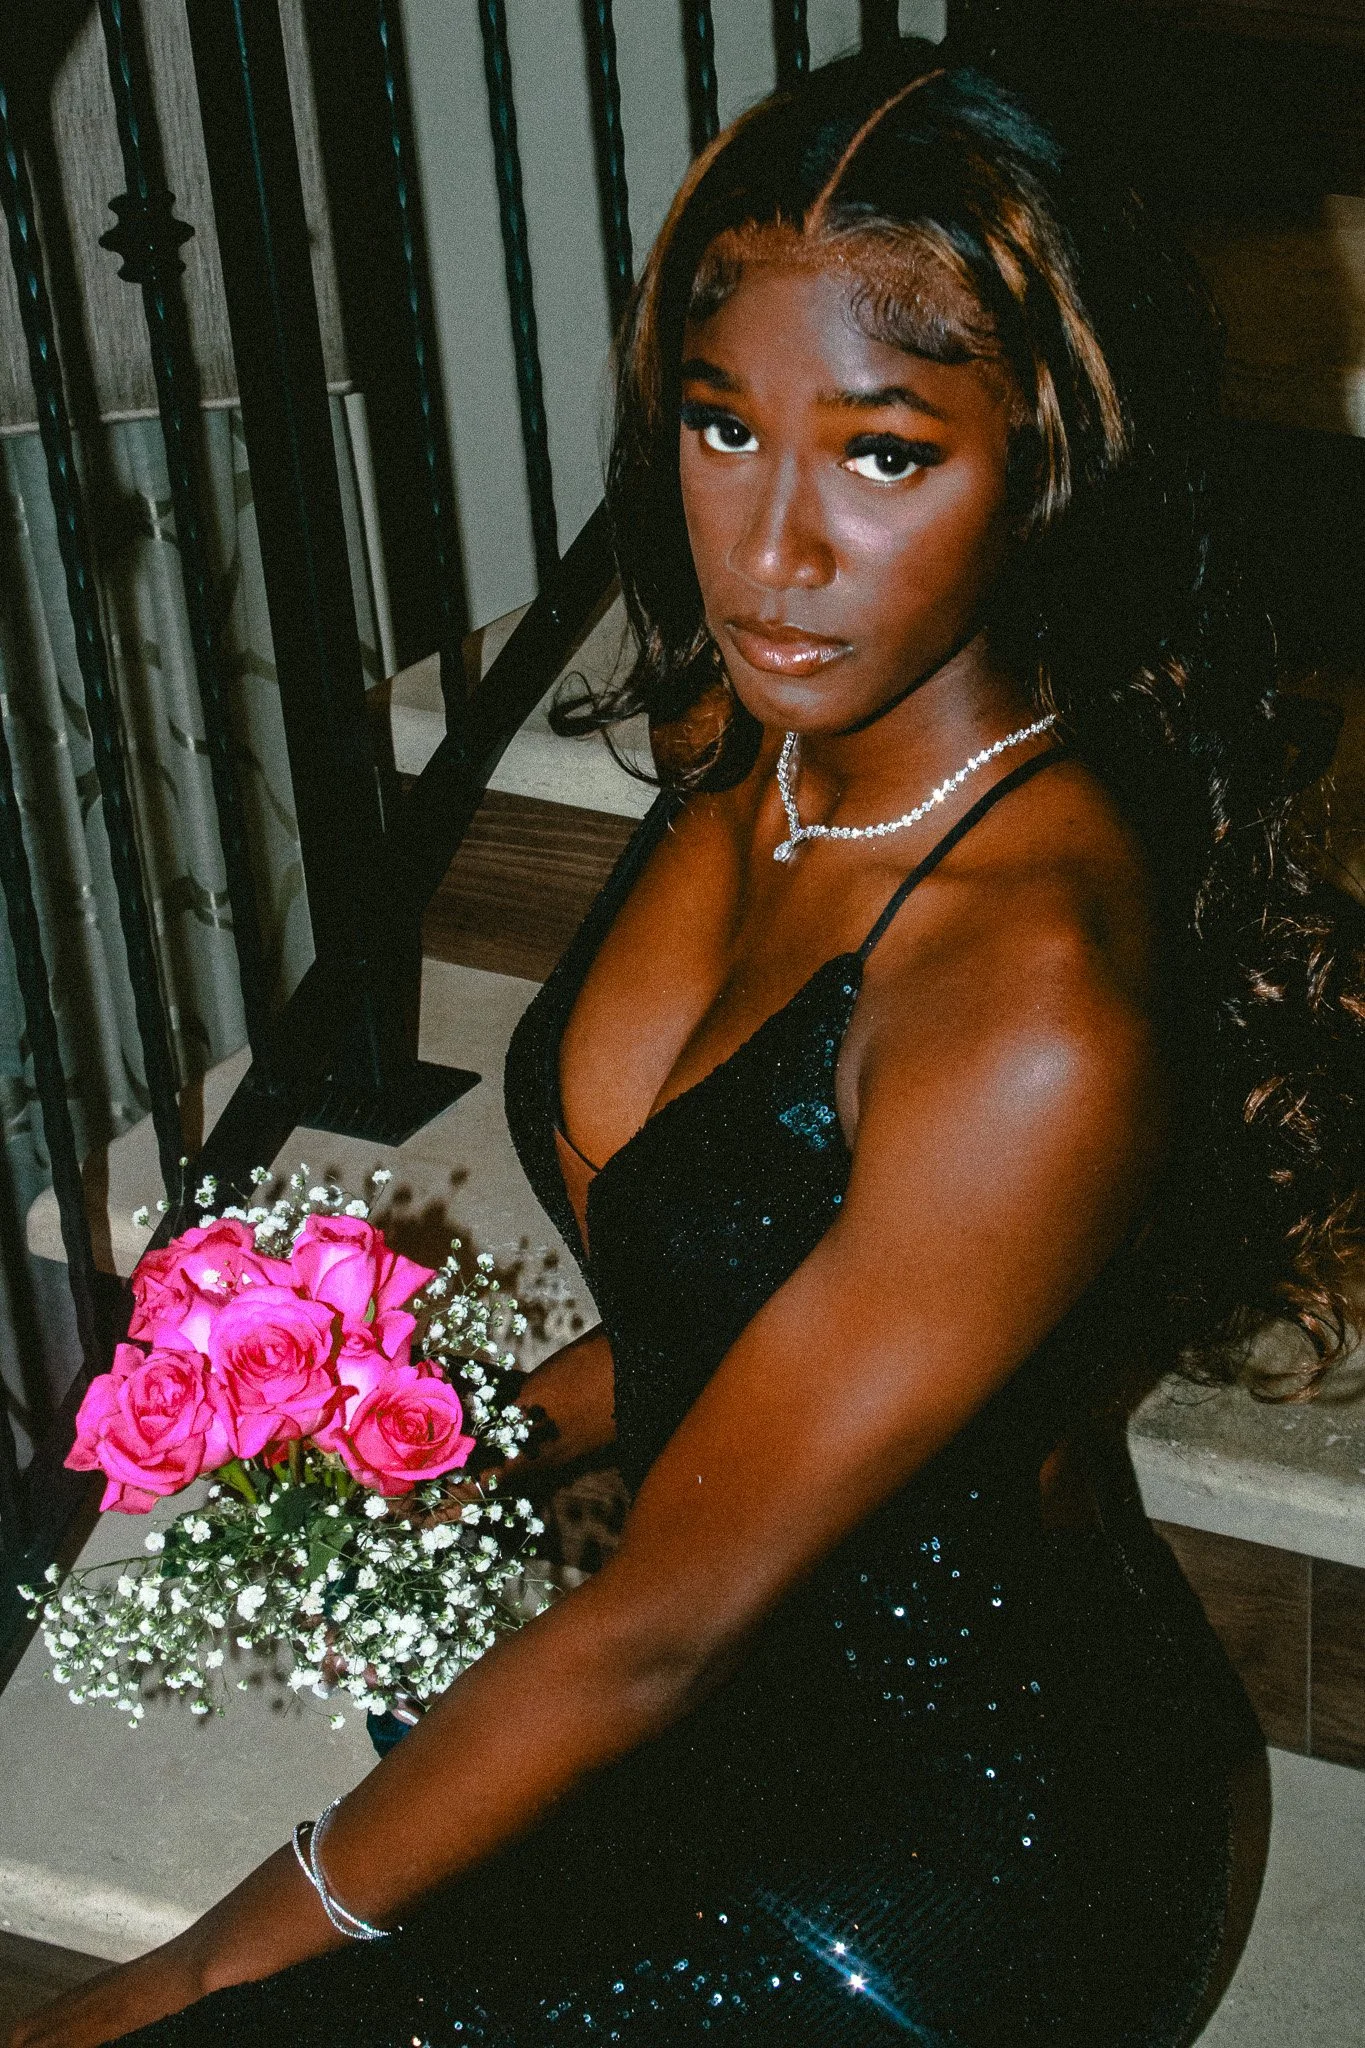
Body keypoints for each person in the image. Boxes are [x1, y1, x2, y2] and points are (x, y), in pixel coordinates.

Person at [13, 44, 1365, 2048]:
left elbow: (654, 1633)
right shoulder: (763, 733)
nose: (771, 553)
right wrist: (482, 1438)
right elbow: (724, 1287)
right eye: (725, 428)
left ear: (1049, 460)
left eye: (884, 455)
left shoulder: (1033, 1004)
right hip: (698, 1677)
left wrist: (188, 1966)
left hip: (946, 1848)